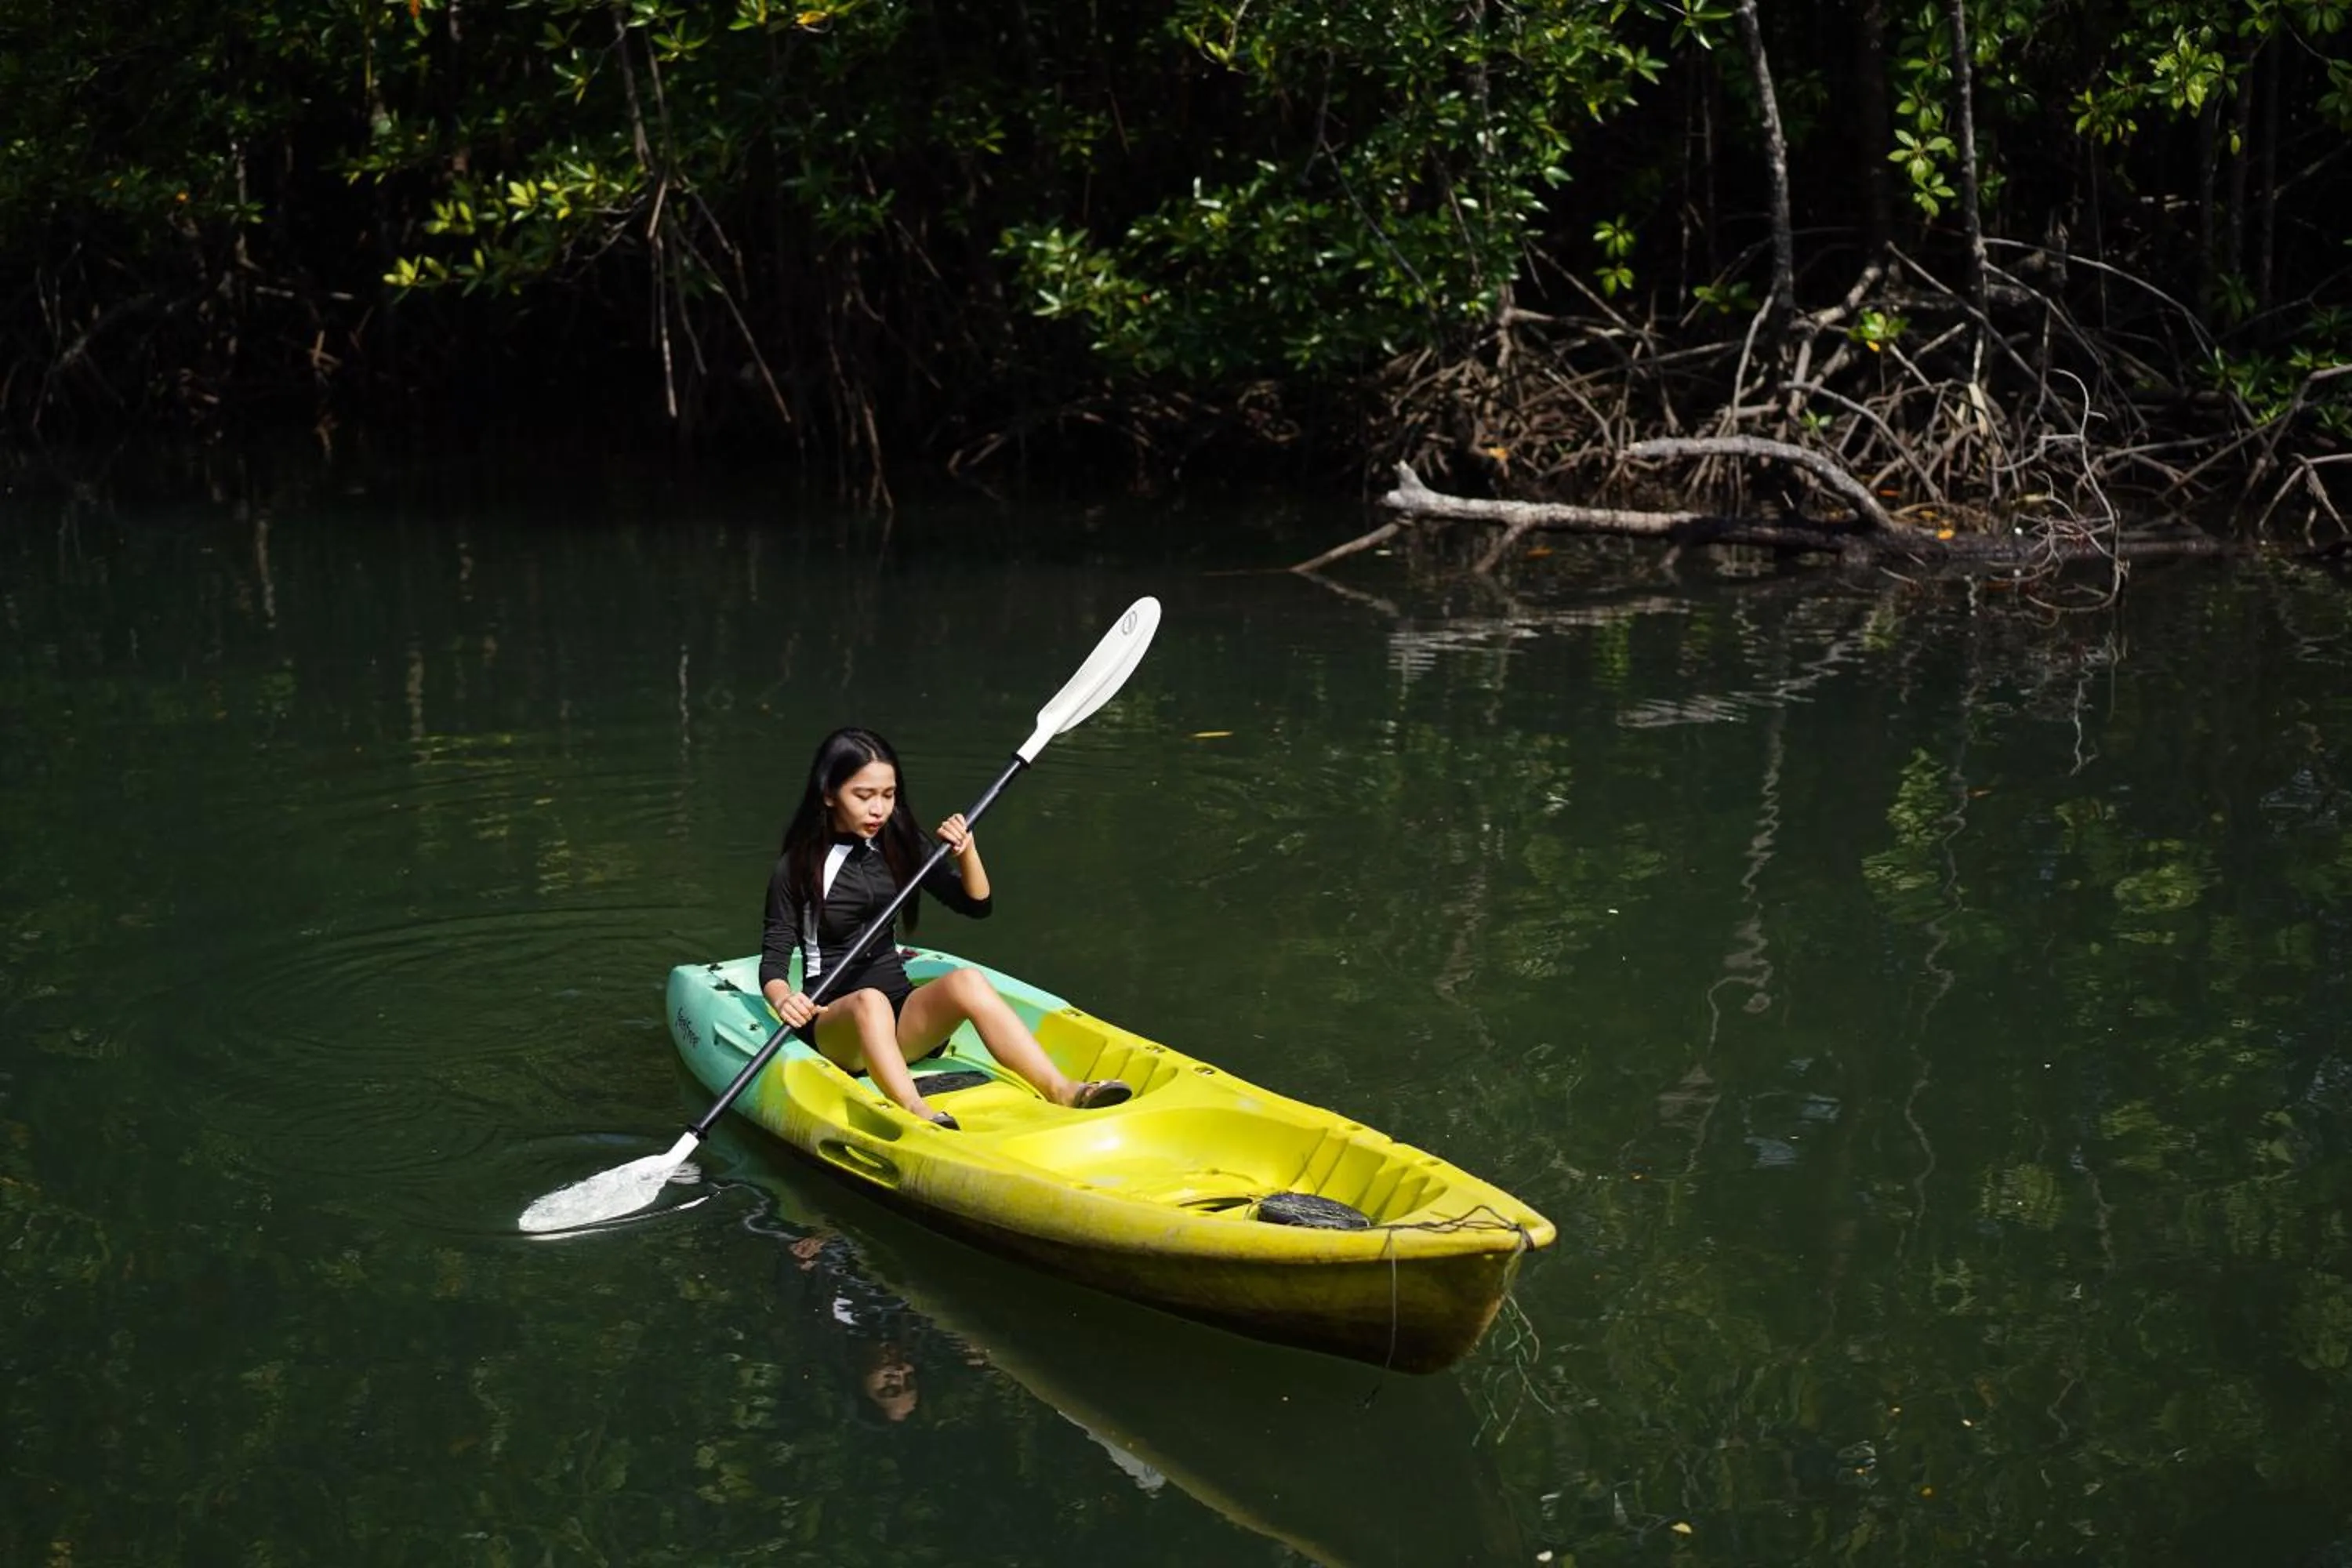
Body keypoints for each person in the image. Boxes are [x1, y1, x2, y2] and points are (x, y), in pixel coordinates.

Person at [760, 726, 1131, 1130]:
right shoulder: (798, 867)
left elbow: (975, 905)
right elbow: (774, 962)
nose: (878, 810)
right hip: (838, 1026)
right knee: (869, 1001)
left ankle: (1063, 1090)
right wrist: (784, 1001)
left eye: (888, 795)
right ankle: (917, 1110)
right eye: (863, 796)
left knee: (967, 981)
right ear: (829, 795)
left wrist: (966, 851)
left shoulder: (900, 843)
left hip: (902, 1022)